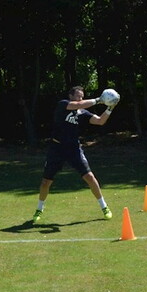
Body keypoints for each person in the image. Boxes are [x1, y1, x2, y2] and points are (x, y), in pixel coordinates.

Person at [31, 86, 118, 224]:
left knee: (90, 177)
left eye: (82, 96)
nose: (80, 99)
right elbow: (77, 105)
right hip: (57, 148)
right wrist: (98, 100)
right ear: (71, 96)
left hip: (73, 149)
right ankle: (39, 209)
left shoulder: (82, 112)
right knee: (46, 182)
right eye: (78, 96)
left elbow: (100, 121)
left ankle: (104, 207)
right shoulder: (63, 105)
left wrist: (110, 108)